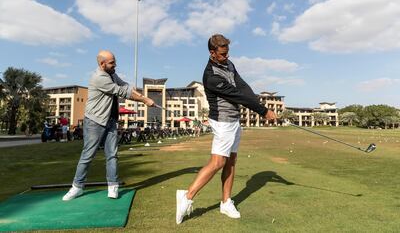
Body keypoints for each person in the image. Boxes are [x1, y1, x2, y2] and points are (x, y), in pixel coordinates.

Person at [176, 34, 277, 224]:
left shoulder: (229, 65)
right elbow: (236, 95)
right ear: (212, 53)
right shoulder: (211, 76)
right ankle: (187, 197)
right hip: (222, 122)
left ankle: (226, 202)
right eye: (222, 54)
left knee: (231, 161)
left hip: (234, 120)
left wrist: (259, 103)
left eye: (227, 53)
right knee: (217, 162)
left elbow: (241, 85)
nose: (226, 57)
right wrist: (263, 111)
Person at [62, 50, 155, 201]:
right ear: (102, 64)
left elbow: (124, 86)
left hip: (110, 120)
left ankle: (113, 187)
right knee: (88, 155)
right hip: (94, 121)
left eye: (115, 61)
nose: (115, 65)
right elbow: (120, 91)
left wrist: (142, 96)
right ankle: (77, 187)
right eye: (112, 63)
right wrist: (145, 101)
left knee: (112, 155)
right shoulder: (99, 77)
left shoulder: (112, 74)